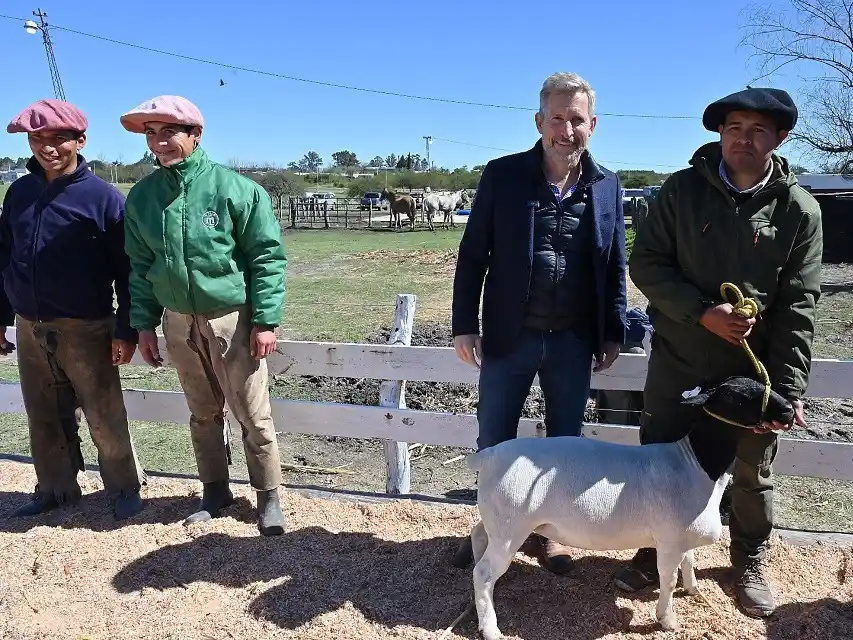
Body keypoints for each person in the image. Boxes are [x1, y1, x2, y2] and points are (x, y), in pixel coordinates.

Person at [617, 87, 823, 618]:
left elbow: (799, 305)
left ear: (780, 138)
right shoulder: (681, 191)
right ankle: (653, 549)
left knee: (752, 469)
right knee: (660, 460)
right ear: (720, 133)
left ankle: (748, 557)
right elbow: (648, 265)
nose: (743, 140)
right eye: (734, 128)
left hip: (750, 371)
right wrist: (701, 311)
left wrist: (786, 389)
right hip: (680, 359)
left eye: (757, 131)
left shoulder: (799, 210)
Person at [450, 72, 628, 572]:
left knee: (565, 445)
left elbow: (614, 263)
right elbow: (473, 255)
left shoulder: (607, 186)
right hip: (511, 335)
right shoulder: (503, 175)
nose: (566, 130)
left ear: (593, 124)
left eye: (577, 120)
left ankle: (551, 534)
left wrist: (612, 330)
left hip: (573, 338)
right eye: (556, 118)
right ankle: (489, 532)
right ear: (539, 121)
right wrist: (464, 323)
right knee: (495, 442)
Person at [119, 95, 288, 536]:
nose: (159, 142)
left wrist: (265, 320)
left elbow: (267, 257)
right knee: (201, 410)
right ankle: (214, 490)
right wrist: (143, 325)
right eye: (151, 134)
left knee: (252, 412)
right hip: (178, 320)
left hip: (230, 318)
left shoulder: (235, 189)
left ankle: (269, 496)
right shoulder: (143, 198)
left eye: (169, 132)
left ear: (195, 134)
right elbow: (141, 266)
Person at [1, 99, 145, 520]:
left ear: (80, 141)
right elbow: (5, 257)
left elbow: (128, 271)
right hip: (29, 324)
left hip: (87, 325)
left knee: (104, 413)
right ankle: (55, 488)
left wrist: (126, 329)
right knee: (42, 412)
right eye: (37, 138)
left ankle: (123, 487)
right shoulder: (19, 192)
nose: (47, 147)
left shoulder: (103, 199)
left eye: (58, 138)